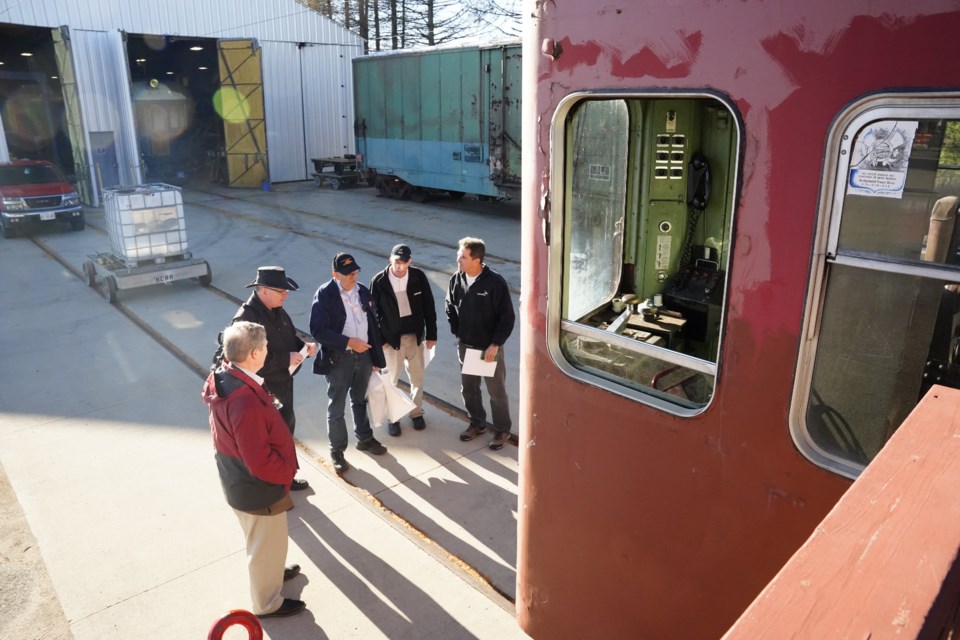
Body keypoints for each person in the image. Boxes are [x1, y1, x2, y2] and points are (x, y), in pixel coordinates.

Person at [202, 321, 306, 619]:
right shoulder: (244, 400)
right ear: (256, 353)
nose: (268, 352)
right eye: (266, 349)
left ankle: (270, 571)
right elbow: (259, 459)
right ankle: (267, 602)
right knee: (263, 542)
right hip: (257, 487)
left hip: (236, 477)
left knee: (264, 542)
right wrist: (286, 473)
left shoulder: (226, 375)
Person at [232, 266, 316, 490]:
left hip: (283, 383)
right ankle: (272, 486)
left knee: (285, 432)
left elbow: (288, 336)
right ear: (264, 291)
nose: (286, 294)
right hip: (263, 389)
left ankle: (284, 478)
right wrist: (285, 358)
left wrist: (302, 347)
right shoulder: (246, 319)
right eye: (281, 290)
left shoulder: (277, 308)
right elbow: (246, 362)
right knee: (268, 439)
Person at [310, 252, 388, 473]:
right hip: (339, 358)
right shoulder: (325, 295)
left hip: (363, 356)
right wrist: (348, 342)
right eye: (347, 274)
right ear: (335, 274)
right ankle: (337, 451)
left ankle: (365, 438)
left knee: (360, 399)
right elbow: (318, 330)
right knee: (336, 405)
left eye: (355, 272)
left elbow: (373, 324)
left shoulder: (363, 290)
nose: (352, 277)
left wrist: (375, 358)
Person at [444, 237, 516, 450]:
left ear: (477, 259)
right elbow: (449, 305)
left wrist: (496, 344)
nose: (458, 259)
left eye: (463, 256)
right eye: (459, 255)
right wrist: (457, 332)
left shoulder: (494, 282)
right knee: (470, 389)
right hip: (467, 345)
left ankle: (502, 430)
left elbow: (507, 317)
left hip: (488, 348)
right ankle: (477, 423)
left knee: (496, 393)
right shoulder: (457, 279)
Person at [369, 243, 438, 436]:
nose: (399, 266)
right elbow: (372, 314)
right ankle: (394, 417)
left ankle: (416, 413)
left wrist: (432, 334)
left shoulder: (418, 277)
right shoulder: (379, 281)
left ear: (410, 262)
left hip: (415, 337)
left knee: (418, 379)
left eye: (403, 262)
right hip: (391, 340)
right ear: (389, 260)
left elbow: (429, 307)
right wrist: (381, 339)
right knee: (392, 382)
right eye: (396, 262)